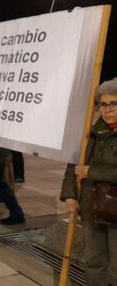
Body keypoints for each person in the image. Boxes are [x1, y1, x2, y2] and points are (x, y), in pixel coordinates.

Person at [61, 78, 117, 286]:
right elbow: (73, 164)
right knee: (94, 262)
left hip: (115, 212)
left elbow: (86, 169)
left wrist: (92, 171)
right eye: (103, 104)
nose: (107, 110)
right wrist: (69, 196)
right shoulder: (90, 132)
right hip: (90, 207)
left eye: (114, 104)